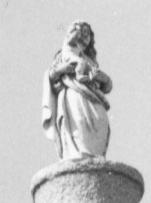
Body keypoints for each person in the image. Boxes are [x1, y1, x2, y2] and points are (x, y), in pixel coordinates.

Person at [42, 22, 113, 160]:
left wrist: (103, 78)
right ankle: (78, 155)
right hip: (74, 94)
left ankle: (95, 159)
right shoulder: (62, 55)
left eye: (88, 35)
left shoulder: (90, 61)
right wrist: (61, 69)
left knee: (100, 122)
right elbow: (51, 75)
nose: (86, 37)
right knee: (78, 121)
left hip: (95, 98)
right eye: (83, 32)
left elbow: (108, 86)